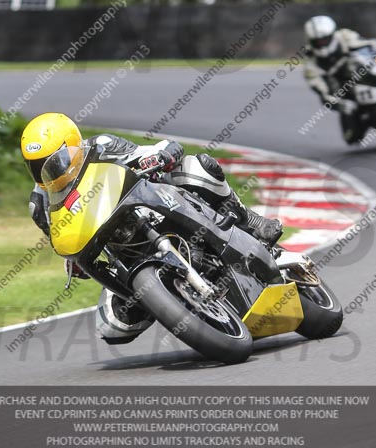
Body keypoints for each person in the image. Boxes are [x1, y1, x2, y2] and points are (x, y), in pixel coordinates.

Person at [21, 112, 283, 345]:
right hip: (122, 253)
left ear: (73, 146)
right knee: (111, 326)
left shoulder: (102, 146)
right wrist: (74, 262)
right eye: (37, 166)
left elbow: (159, 149)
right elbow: (58, 236)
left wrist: (160, 156)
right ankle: (176, 304)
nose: (47, 171)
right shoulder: (40, 203)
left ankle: (251, 221)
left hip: (153, 209)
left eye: (54, 160)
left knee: (195, 167)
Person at [303, 15, 376, 144]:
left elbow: (365, 43)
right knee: (351, 137)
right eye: (318, 41)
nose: (322, 44)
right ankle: (372, 120)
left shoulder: (344, 36)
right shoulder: (310, 60)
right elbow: (318, 86)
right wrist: (338, 103)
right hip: (345, 91)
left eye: (324, 40)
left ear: (331, 35)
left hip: (364, 72)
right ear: (311, 41)